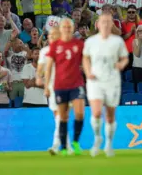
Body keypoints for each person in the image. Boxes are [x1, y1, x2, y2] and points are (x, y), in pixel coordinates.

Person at [83, 13, 129, 157]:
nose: (105, 24)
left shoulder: (118, 42)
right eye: (103, 22)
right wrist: (88, 72)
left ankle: (109, 143)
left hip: (112, 81)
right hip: (95, 81)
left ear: (112, 24)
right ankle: (97, 138)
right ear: (97, 24)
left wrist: (121, 64)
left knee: (110, 115)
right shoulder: (91, 42)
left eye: (108, 22)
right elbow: (85, 59)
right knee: (96, 112)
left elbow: (125, 58)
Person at [44, 19, 85, 156]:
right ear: (61, 29)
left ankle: (75, 142)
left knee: (79, 113)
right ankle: (63, 147)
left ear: (73, 28)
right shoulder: (55, 46)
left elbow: (86, 62)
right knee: (63, 116)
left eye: (69, 26)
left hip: (76, 84)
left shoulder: (79, 44)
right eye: (65, 26)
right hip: (60, 85)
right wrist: (46, 86)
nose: (67, 28)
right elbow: (49, 67)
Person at [36, 28, 73, 154]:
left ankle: (55, 146)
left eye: (54, 34)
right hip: (51, 87)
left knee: (60, 116)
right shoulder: (44, 51)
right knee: (59, 117)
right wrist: (39, 78)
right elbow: (40, 68)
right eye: (49, 34)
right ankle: (67, 146)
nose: (50, 36)